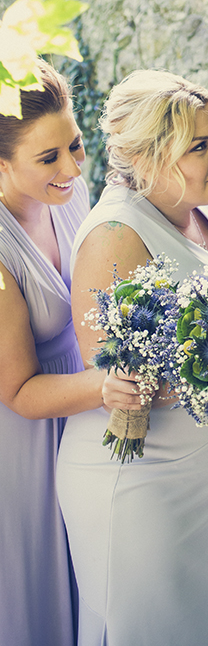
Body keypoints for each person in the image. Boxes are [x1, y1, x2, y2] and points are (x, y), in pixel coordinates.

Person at [56, 70, 208, 646]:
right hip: (140, 486)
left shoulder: (204, 209)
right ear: (146, 156)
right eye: (199, 145)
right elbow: (114, 376)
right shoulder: (115, 234)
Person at [0, 61, 104, 646]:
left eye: (75, 145)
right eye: (48, 158)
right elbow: (16, 391)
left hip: (81, 415)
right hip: (23, 440)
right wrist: (111, 383)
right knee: (38, 586)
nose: (71, 167)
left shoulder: (71, 196)